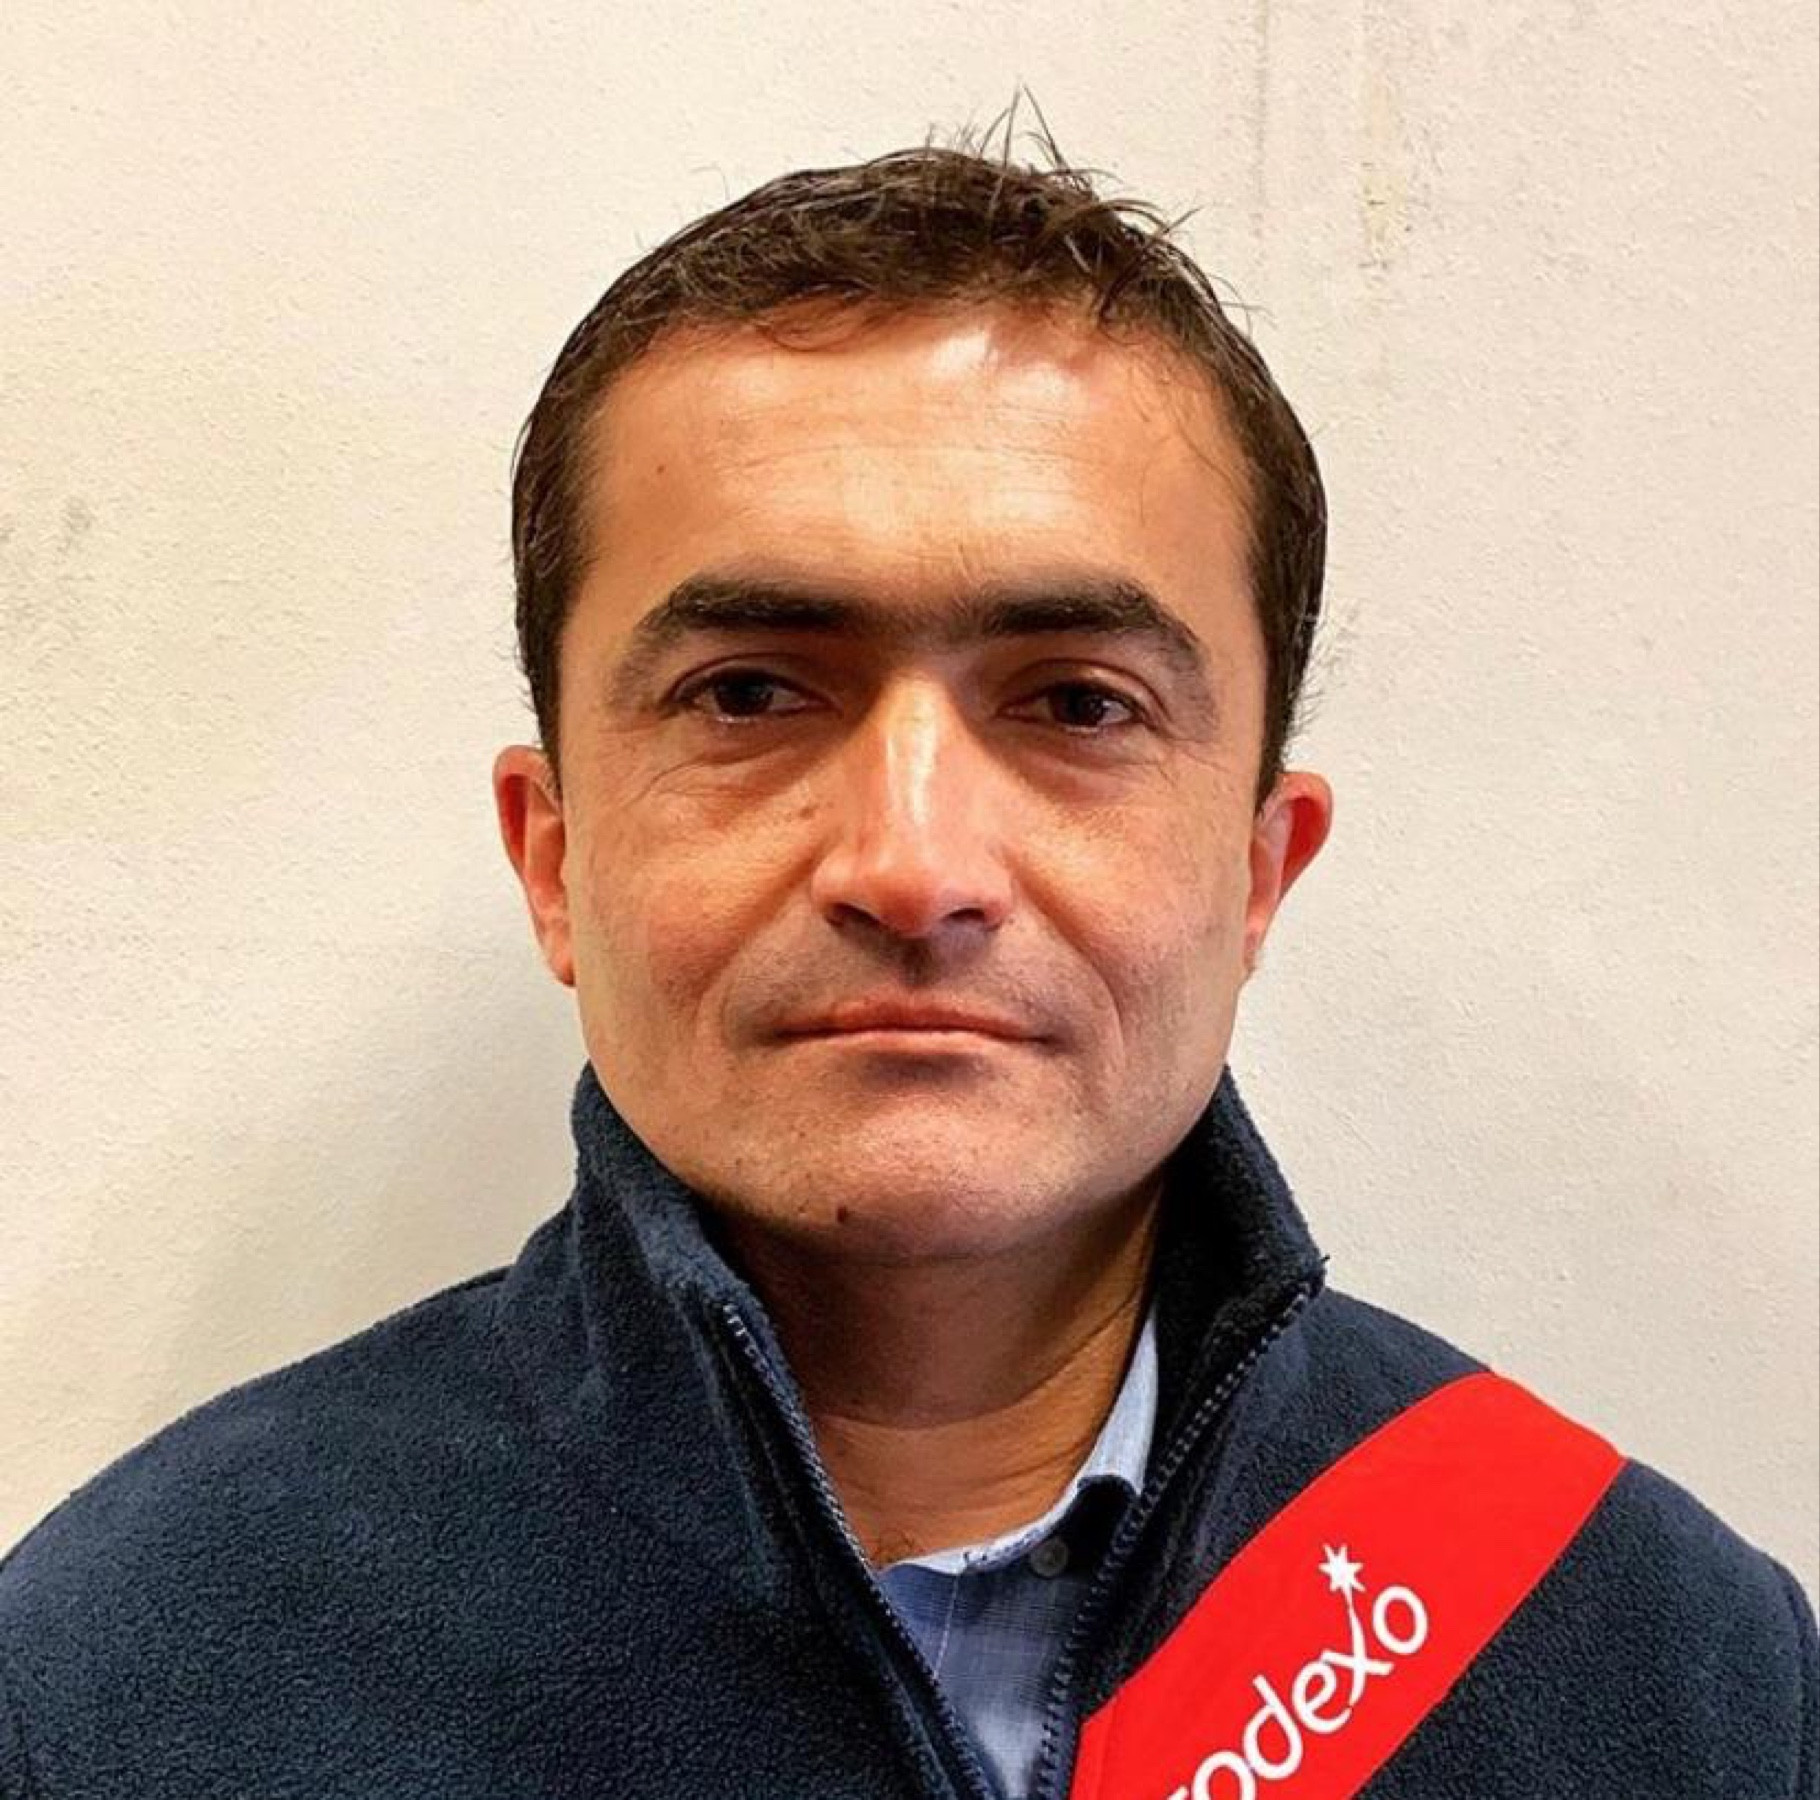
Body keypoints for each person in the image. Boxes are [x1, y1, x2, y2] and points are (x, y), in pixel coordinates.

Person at [1, 125, 1814, 1800]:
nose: (913, 866)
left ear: (1261, 872)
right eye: (750, 693)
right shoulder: (125, 1683)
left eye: (1078, 704)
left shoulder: (1674, 1674)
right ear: (554, 857)